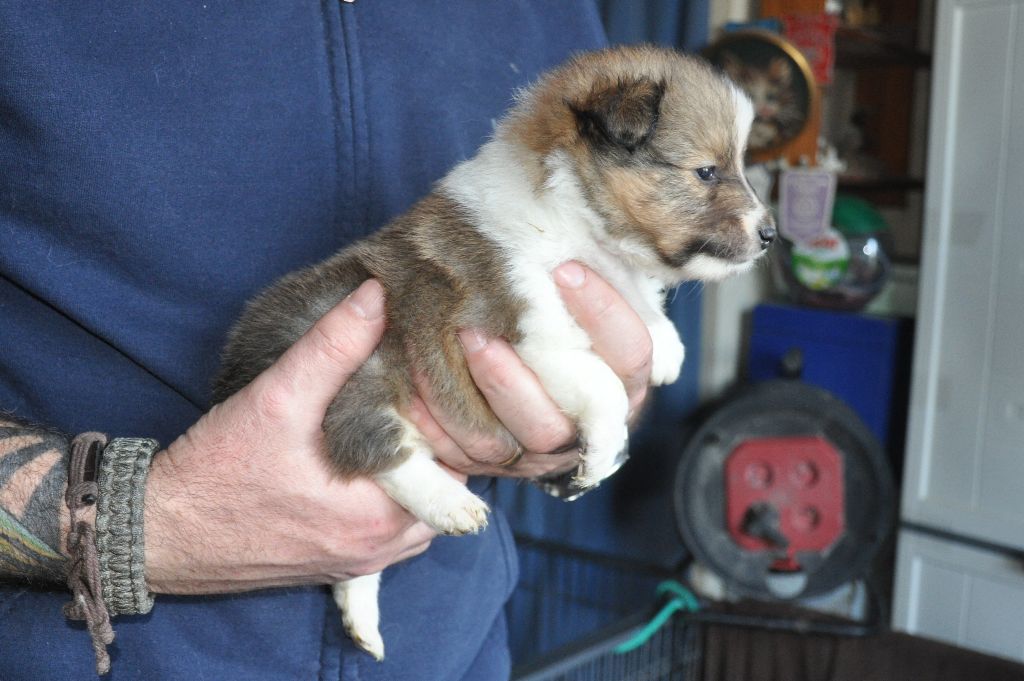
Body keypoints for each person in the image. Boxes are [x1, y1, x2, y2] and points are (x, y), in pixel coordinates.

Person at [0, 2, 656, 679]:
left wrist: (577, 428)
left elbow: (586, 309)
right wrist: (150, 523)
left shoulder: (564, 33)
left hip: (452, 643)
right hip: (88, 654)